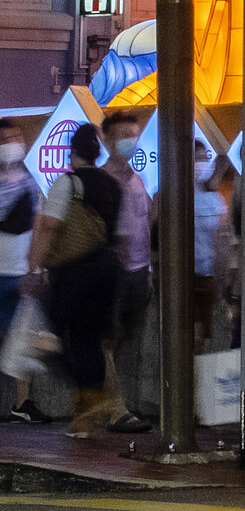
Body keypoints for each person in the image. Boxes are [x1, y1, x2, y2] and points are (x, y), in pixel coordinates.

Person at [24, 123, 126, 438]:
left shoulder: (67, 183)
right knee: (88, 340)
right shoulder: (114, 186)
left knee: (49, 337)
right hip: (108, 268)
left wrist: (34, 268)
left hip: (74, 270)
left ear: (72, 153)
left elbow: (50, 228)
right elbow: (117, 233)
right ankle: (85, 414)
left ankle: (88, 396)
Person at [97, 108, 153, 433]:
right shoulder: (101, 181)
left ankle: (107, 402)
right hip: (112, 274)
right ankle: (116, 410)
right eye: (122, 137)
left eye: (133, 136)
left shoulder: (137, 179)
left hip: (138, 272)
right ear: (106, 140)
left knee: (121, 342)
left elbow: (147, 220)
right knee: (106, 340)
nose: (129, 142)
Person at [0, 117, 36, 423]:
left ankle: (22, 402)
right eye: (5, 140)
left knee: (21, 339)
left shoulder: (29, 179)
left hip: (20, 271)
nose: (12, 145)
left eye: (15, 137)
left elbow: (38, 224)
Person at [190, 139, 233, 351]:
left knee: (202, 341)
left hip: (207, 278)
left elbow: (222, 242)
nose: (201, 163)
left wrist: (223, 281)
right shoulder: (169, 195)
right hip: (183, 279)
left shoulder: (214, 199)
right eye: (196, 158)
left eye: (204, 158)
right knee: (192, 339)